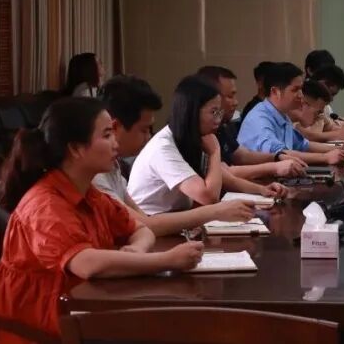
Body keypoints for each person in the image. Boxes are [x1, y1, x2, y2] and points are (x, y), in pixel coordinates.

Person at [0, 98, 203, 343]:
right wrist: (166, 260)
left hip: (81, 306)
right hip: (41, 323)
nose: (115, 143)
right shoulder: (45, 205)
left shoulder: (89, 192)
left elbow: (141, 228)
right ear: (76, 149)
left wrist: (137, 249)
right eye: (107, 135)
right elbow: (86, 264)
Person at [94, 75, 256, 236]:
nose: (148, 137)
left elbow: (144, 224)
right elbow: (147, 224)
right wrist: (215, 211)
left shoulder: (112, 166)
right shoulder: (97, 174)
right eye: (144, 130)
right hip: (157, 226)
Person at [128, 75, 287, 215]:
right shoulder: (164, 148)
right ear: (191, 112)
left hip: (176, 217)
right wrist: (214, 152)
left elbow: (226, 178)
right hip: (153, 223)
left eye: (219, 112)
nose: (218, 119)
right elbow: (208, 198)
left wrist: (262, 190)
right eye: (213, 112)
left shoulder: (195, 137)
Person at [196, 66, 307, 180]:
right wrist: (274, 167)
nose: (236, 102)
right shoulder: (194, 134)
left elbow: (241, 156)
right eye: (230, 96)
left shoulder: (221, 127)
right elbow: (225, 173)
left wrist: (277, 157)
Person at [236, 62, 344, 165]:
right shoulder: (260, 119)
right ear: (275, 92)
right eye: (295, 90)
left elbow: (303, 145)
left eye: (301, 89)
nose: (301, 95)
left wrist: (341, 149)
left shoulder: (282, 116)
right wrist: (325, 157)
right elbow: (281, 154)